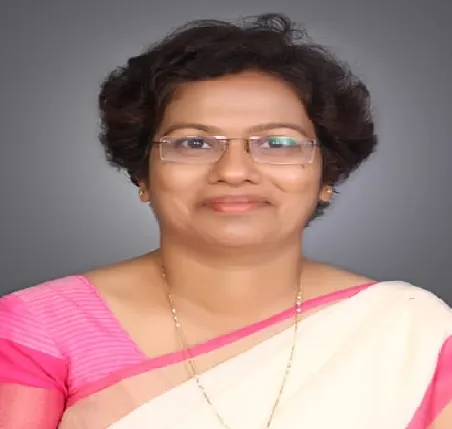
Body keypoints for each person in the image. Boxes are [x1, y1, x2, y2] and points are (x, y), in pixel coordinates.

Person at [0, 13, 450, 429]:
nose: (234, 172)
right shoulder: (41, 327)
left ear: (326, 177)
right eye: (193, 144)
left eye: (278, 143)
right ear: (143, 175)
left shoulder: (411, 331)